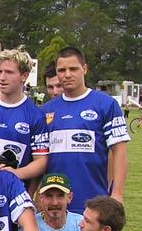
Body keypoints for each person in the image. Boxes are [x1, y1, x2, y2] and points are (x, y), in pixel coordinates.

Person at [41, 47, 130, 214]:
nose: (67, 74)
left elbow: (120, 151)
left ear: (85, 69)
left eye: (73, 69)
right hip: (55, 204)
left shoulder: (106, 104)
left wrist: (117, 193)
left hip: (94, 201)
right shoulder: (45, 111)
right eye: (62, 70)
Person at [0, 47, 49, 196]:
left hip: (10, 194)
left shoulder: (35, 115)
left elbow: (41, 161)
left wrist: (17, 173)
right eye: (0, 72)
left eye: (9, 72)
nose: (2, 77)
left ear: (24, 76)